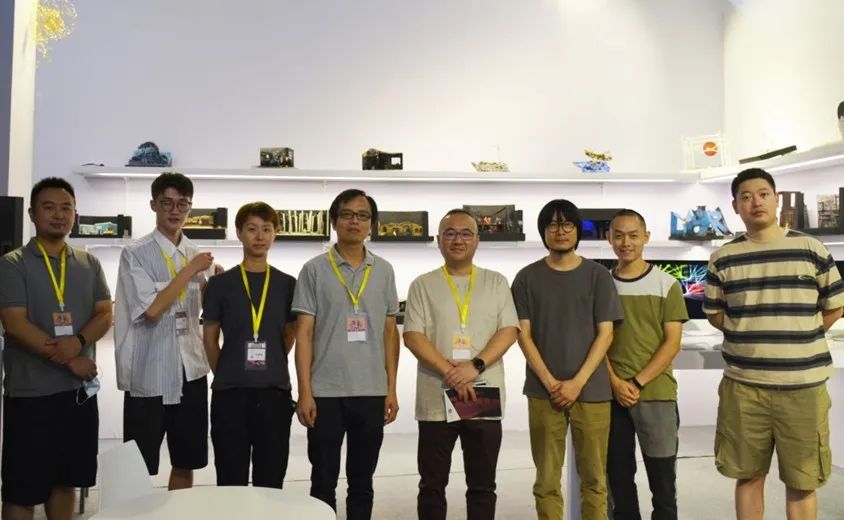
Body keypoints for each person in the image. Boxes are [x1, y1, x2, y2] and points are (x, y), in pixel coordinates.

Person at [704, 168, 844, 520]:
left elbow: (836, 305)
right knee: (748, 476)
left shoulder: (810, 248)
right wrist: (749, 334)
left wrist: (803, 334)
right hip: (744, 387)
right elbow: (715, 314)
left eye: (763, 194)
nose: (756, 202)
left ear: (776, 199)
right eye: (746, 196)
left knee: (803, 481)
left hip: (803, 388)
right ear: (735, 206)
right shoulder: (723, 257)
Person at [0, 178, 112, 520]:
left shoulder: (88, 263)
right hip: (30, 394)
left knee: (67, 481)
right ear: (32, 214)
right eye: (49, 208)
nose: (59, 215)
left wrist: (77, 344)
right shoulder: (12, 263)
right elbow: (14, 323)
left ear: (75, 214)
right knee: (21, 490)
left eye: (66, 208)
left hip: (77, 395)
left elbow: (105, 313)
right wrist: (70, 360)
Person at [403, 209, 519, 520]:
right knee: (431, 485)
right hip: (436, 397)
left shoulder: (496, 282)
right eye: (450, 233)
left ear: (477, 240)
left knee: (482, 486)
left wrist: (474, 367)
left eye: (466, 233)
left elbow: (509, 330)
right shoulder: (422, 285)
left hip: (483, 394)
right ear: (438, 240)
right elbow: (413, 336)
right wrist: (451, 373)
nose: (458, 240)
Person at [511, 198, 623, 520]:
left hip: (592, 391)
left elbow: (606, 334)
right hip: (542, 392)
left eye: (567, 224)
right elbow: (523, 335)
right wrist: (551, 383)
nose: (560, 231)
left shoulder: (598, 276)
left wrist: (576, 383)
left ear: (577, 230)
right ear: (543, 232)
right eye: (552, 225)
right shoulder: (526, 278)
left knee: (595, 480)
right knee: (546, 480)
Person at [292, 188, 400, 519]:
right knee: (322, 481)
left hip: (371, 390)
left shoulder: (384, 270)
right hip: (325, 392)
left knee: (362, 481)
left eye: (363, 215)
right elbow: (304, 333)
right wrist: (305, 392)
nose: (355, 221)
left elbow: (389, 332)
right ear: (334, 221)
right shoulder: (314, 269)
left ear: (372, 224)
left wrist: (391, 388)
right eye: (347, 215)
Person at [114, 172, 216, 489]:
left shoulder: (196, 253)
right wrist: (190, 270)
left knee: (187, 460)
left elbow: (204, 309)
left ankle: (179, 511)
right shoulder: (135, 253)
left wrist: (215, 284)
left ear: (190, 207)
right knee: (137, 468)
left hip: (191, 371)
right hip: (149, 373)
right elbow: (153, 309)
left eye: (182, 204)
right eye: (167, 203)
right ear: (153, 205)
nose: (175, 211)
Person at [202, 202, 297, 488]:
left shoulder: (287, 284)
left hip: (274, 393)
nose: (259, 236)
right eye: (252, 229)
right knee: (231, 480)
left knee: (271, 480)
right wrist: (228, 372)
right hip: (230, 394)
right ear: (239, 233)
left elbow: (289, 334)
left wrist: (270, 364)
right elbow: (209, 339)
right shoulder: (220, 284)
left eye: (266, 229)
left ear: (275, 234)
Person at [605, 209, 688, 520]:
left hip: (656, 394)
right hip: (610, 396)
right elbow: (596, 342)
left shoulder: (667, 284)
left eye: (633, 235)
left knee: (663, 484)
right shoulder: (602, 284)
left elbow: (672, 343)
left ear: (646, 237)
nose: (625, 242)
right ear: (609, 238)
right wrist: (615, 382)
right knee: (618, 483)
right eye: (618, 235)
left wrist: (636, 382)